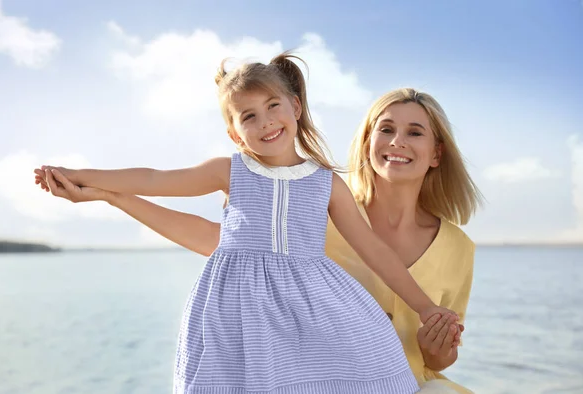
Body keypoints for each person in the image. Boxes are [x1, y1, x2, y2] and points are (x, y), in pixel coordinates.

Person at [34, 53, 458, 394]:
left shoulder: (326, 183)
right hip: (235, 309)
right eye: (248, 116)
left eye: (273, 106)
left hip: (314, 306)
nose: (265, 121)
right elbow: (153, 179)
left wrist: (426, 308)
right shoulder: (230, 171)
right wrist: (82, 178)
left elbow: (374, 250)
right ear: (235, 134)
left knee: (354, 367)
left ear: (295, 107)